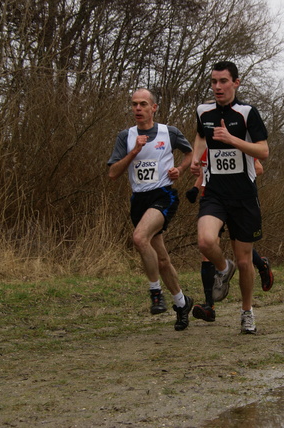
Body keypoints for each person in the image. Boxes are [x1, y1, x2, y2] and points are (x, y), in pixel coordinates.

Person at [190, 61, 269, 334]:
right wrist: (196, 159)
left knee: (246, 261)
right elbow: (201, 137)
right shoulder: (203, 111)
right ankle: (224, 268)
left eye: (223, 81)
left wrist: (232, 139)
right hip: (215, 193)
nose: (217, 87)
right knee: (205, 240)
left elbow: (263, 151)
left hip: (244, 196)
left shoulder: (247, 113)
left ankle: (247, 312)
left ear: (236, 82)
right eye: (213, 82)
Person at [107, 88, 194, 331]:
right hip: (139, 200)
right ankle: (182, 302)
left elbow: (190, 153)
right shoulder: (126, 136)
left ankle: (155, 293)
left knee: (139, 237)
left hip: (163, 195)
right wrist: (133, 151)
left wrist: (181, 169)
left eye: (143, 104)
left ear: (153, 107)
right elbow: (113, 173)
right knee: (163, 259)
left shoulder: (170, 132)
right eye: (134, 104)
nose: (137, 108)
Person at [186, 152, 274, 323]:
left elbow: (258, 168)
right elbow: (206, 173)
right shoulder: (206, 147)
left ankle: (261, 265)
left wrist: (233, 181)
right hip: (212, 201)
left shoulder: (237, 143)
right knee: (207, 249)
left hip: (237, 200)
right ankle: (209, 305)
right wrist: (196, 188)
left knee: (240, 251)